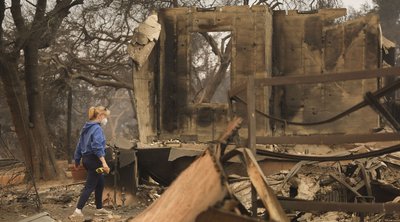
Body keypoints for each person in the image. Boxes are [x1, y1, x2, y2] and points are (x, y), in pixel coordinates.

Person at [69, 106, 112, 220]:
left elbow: (79, 145)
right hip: (94, 160)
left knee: (100, 182)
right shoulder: (97, 129)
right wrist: (104, 163)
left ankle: (99, 209)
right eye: (105, 116)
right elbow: (97, 147)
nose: (106, 119)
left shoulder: (86, 128)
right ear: (100, 116)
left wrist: (77, 160)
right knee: (90, 186)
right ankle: (78, 211)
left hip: (87, 160)